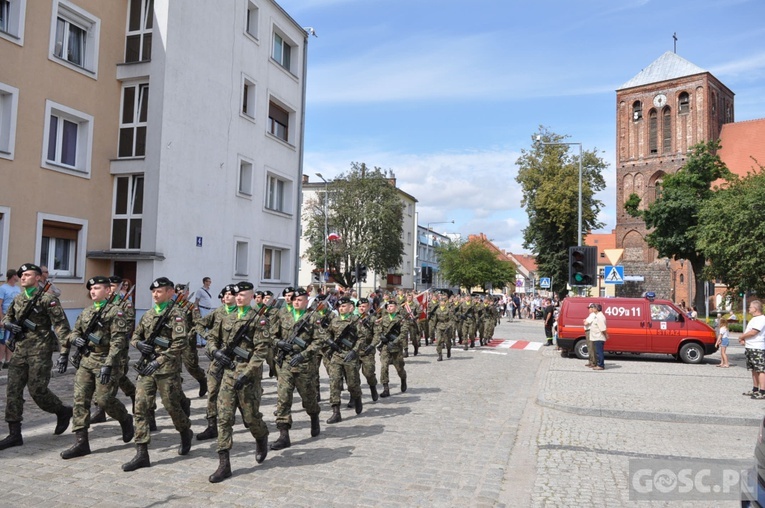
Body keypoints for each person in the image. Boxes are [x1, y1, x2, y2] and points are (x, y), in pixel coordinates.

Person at [122, 277, 193, 472]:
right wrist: (139, 344)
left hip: (166, 369)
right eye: (153, 291)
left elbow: (180, 343)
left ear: (171, 292)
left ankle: (185, 430)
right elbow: (134, 336)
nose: (155, 294)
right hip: (146, 369)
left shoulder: (177, 314)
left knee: (171, 406)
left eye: (160, 291)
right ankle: (142, 453)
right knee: (141, 407)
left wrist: (159, 360)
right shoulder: (148, 314)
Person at [60, 276, 134, 459]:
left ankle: (125, 419)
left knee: (104, 400)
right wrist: (74, 339)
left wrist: (109, 364)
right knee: (80, 399)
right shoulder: (86, 312)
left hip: (106, 360)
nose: (93, 291)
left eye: (97, 288)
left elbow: (118, 341)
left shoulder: (116, 312)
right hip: (87, 360)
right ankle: (81, 442)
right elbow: (75, 331)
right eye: (91, 288)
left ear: (108, 291)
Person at [0, 263, 72, 450]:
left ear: (38, 278)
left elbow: (61, 326)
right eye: (21, 275)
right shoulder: (18, 299)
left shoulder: (48, 300)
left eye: (28, 275)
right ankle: (14, 434)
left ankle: (62, 411)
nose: (23, 277)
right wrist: (9, 325)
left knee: (37, 390)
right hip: (21, 348)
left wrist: (64, 352)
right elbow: (6, 318)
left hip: (40, 349)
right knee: (13, 390)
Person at [206, 281, 269, 483]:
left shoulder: (259, 320)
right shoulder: (226, 317)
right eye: (237, 294)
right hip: (227, 373)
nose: (239, 297)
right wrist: (215, 352)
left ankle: (261, 436)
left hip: (247, 376)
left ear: (252, 297)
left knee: (250, 418)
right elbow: (211, 339)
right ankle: (224, 464)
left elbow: (261, 351)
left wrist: (248, 373)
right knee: (224, 419)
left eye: (243, 294)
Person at [269, 288, 322, 450]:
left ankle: (314, 416)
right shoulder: (282, 314)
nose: (296, 302)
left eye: (300, 299)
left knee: (308, 398)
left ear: (307, 301)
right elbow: (271, 334)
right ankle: (283, 435)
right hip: (285, 363)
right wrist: (279, 343)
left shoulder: (313, 318)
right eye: (294, 299)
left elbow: (319, 341)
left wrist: (304, 354)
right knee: (283, 399)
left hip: (304, 365)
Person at [196, 284, 237, 441]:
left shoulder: (243, 314)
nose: (227, 296)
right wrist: (206, 338)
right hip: (217, 357)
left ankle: (246, 418)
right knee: (212, 391)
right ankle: (212, 425)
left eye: (231, 294)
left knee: (237, 393)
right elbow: (200, 324)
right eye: (225, 294)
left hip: (234, 361)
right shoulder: (218, 312)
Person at [377, 299, 408, 397]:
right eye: (388, 306)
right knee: (384, 366)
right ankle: (386, 388)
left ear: (396, 308)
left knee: (399, 368)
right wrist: (381, 336)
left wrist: (395, 342)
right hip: (385, 346)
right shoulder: (384, 318)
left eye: (391, 306)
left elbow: (404, 333)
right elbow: (378, 330)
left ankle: (403, 379)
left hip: (396, 347)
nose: (389, 308)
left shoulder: (401, 319)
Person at [739, 300, 765, 399]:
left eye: (750, 307)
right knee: (753, 369)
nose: (748, 308)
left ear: (755, 309)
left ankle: (763, 391)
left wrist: (742, 337)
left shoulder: (761, 319)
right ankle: (755, 389)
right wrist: (744, 339)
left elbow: (754, 332)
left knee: (760, 369)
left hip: (757, 348)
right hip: (750, 347)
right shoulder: (754, 319)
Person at [0, 269, 21, 368]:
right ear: (13, 276)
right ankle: (0, 360)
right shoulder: (3, 288)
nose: (19, 277)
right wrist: (2, 319)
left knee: (12, 339)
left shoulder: (18, 289)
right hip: (5, 316)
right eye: (17, 275)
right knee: (3, 340)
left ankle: (8, 361)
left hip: (15, 317)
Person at [194, 277, 214, 347]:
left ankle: (204, 341)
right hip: (202, 309)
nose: (209, 283)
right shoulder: (200, 290)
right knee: (201, 325)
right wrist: (196, 309)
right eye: (208, 281)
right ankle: (199, 342)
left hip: (209, 309)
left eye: (210, 282)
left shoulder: (209, 290)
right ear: (205, 282)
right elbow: (196, 300)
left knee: (207, 325)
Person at [589, 303, 608, 370]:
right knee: (598, 351)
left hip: (599, 337)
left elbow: (602, 328)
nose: (592, 309)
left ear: (597, 309)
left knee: (599, 352)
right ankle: (599, 364)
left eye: (594, 307)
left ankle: (601, 365)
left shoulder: (600, 317)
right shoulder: (597, 316)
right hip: (596, 336)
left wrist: (606, 335)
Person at [583, 303, 598, 368]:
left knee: (591, 347)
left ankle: (593, 362)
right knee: (589, 347)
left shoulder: (592, 315)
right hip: (589, 331)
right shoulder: (591, 315)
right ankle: (591, 361)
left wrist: (584, 321)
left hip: (590, 331)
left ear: (592, 309)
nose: (588, 309)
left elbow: (586, 323)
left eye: (589, 308)